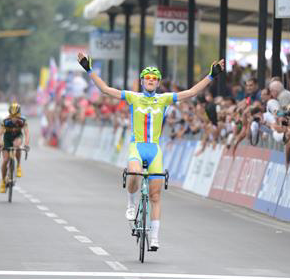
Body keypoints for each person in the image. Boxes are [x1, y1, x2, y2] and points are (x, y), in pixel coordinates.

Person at [77, 52, 224, 250]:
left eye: (155, 79)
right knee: (135, 172)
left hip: (154, 149)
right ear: (142, 81)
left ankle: (154, 237)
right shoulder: (133, 97)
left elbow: (190, 93)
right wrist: (88, 69)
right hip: (137, 146)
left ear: (158, 83)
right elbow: (104, 89)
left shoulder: (163, 99)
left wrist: (211, 76)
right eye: (148, 78)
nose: (151, 81)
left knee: (155, 196)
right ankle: (131, 203)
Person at [0, 102, 30, 193]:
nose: (14, 118)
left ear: (19, 115)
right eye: (12, 116)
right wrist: (0, 144)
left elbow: (27, 133)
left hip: (17, 137)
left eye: (16, 116)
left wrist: (26, 144)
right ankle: (3, 182)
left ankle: (18, 166)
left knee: (17, 144)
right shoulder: (6, 121)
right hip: (7, 139)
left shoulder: (23, 121)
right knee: (6, 159)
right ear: (9, 115)